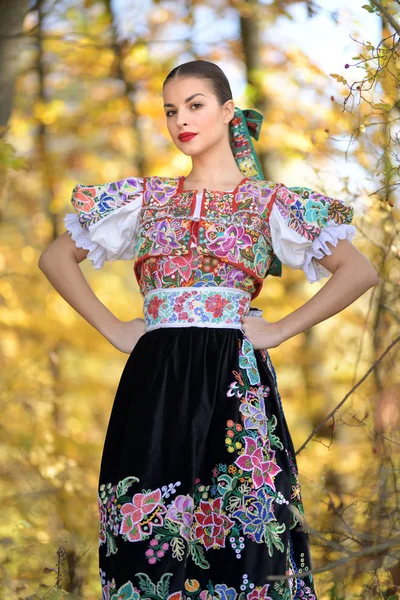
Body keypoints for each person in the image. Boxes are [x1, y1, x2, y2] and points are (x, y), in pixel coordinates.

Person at [38, 59, 378, 600]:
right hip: (155, 382)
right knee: (144, 530)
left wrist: (283, 329)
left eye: (195, 106)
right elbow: (56, 257)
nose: (181, 121)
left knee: (246, 536)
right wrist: (111, 328)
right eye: (171, 111)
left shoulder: (268, 202)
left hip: (234, 382)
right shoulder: (144, 200)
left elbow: (361, 271)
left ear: (226, 112)